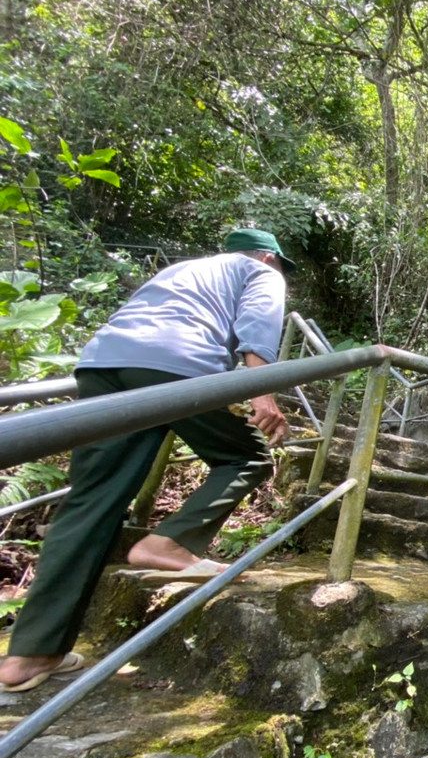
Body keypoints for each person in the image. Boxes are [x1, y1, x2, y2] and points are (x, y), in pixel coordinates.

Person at [0, 228, 294, 692]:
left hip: (103, 364)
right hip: (176, 367)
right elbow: (258, 325)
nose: (279, 274)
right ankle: (168, 543)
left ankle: (32, 654)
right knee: (247, 457)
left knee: (92, 500)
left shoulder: (183, 270)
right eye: (279, 265)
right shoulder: (260, 270)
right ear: (265, 256)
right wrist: (263, 393)